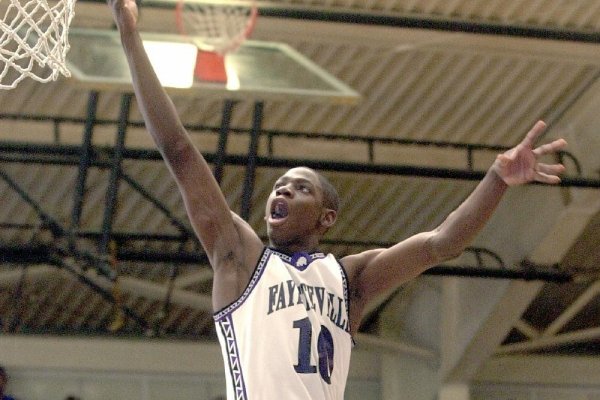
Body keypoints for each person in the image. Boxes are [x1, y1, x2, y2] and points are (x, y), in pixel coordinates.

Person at [107, 0, 568, 398]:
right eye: (279, 185)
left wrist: (496, 179)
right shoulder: (239, 257)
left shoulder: (349, 278)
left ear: (326, 218)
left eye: (300, 187)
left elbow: (443, 243)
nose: (282, 189)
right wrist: (130, 37)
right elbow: (180, 152)